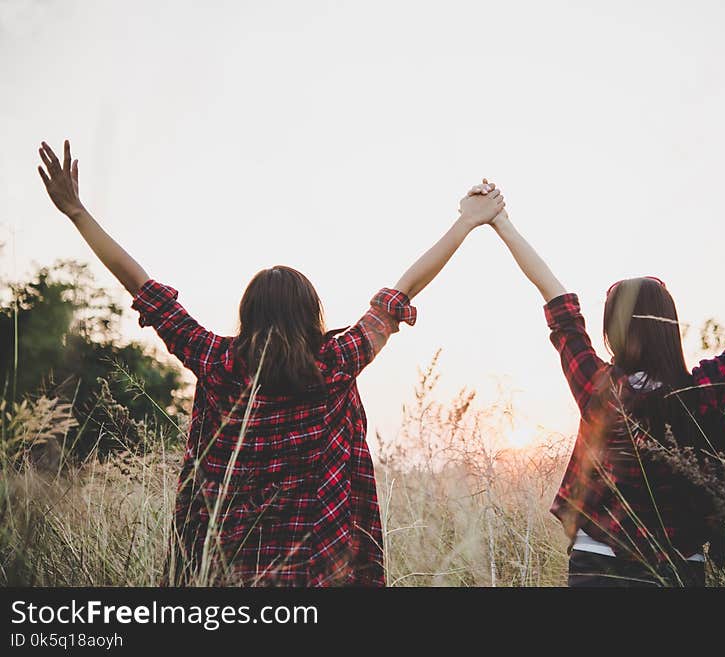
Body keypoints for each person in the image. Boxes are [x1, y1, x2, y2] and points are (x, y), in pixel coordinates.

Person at [37, 139, 505, 586]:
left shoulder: (216, 360)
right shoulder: (337, 361)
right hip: (316, 572)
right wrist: (466, 222)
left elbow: (140, 285)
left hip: (224, 573)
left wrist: (77, 212)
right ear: (311, 314)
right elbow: (400, 293)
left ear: (248, 314)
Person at [472, 180, 725, 586]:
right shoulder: (704, 392)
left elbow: (556, 299)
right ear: (670, 327)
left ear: (612, 332)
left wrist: (500, 222)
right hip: (678, 567)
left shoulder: (596, 386)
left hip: (597, 563)